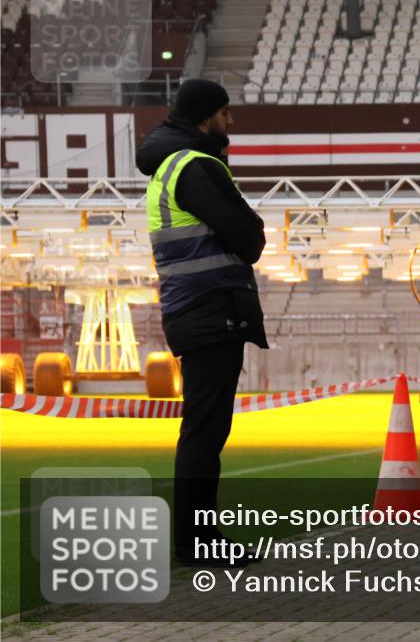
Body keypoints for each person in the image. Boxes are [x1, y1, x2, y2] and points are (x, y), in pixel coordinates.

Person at [137, 79, 268, 566]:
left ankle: (197, 540)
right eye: (225, 113)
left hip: (197, 308)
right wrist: (253, 231)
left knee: (205, 430)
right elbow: (248, 235)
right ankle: (198, 544)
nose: (231, 122)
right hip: (210, 308)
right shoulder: (195, 166)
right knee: (205, 433)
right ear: (205, 117)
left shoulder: (174, 165)